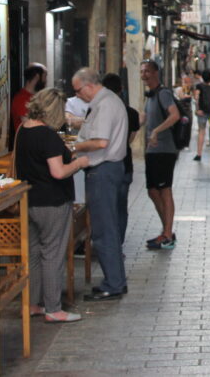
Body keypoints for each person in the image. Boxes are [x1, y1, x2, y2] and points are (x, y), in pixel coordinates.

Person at [15, 88, 88, 322]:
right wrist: (79, 164)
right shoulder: (47, 135)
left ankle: (33, 304)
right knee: (52, 255)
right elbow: (58, 172)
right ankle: (54, 308)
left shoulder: (22, 130)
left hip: (30, 200)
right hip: (53, 202)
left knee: (34, 254)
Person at [69, 68, 129, 301]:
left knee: (104, 230)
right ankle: (115, 280)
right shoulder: (106, 101)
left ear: (89, 85)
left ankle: (113, 283)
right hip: (107, 170)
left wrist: (74, 147)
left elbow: (100, 141)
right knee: (107, 227)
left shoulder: (105, 104)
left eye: (78, 90)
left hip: (104, 171)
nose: (77, 95)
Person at [140, 59, 181, 251]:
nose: (144, 74)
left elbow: (175, 115)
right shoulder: (149, 96)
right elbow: (143, 118)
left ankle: (167, 234)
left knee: (165, 190)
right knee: (152, 190)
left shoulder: (163, 93)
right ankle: (167, 230)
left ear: (156, 72)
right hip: (153, 150)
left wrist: (156, 131)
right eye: (142, 72)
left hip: (165, 149)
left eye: (147, 71)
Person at [101, 73, 140, 244]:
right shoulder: (131, 113)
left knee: (105, 207)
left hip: (102, 165)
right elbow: (130, 139)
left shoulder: (96, 110)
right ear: (121, 89)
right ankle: (117, 245)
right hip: (124, 164)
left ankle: (107, 243)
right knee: (121, 207)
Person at [11, 63, 47, 133]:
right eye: (45, 77)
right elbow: (29, 125)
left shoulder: (36, 97)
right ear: (37, 77)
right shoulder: (21, 99)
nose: (45, 81)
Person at [194, 70, 210, 161]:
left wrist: (197, 109)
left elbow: (196, 98)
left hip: (202, 112)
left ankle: (199, 154)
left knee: (201, 132)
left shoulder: (199, 86)